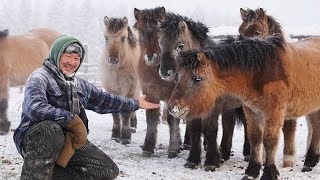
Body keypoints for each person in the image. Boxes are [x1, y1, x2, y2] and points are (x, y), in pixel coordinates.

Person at [13, 35, 160, 180]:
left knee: (107, 170)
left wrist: (136, 103)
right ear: (56, 55)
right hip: (37, 139)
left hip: (68, 141)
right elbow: (35, 107)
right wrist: (71, 120)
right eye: (68, 56)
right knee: (50, 129)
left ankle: (49, 173)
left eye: (77, 58)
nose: (72, 62)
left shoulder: (78, 84)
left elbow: (104, 100)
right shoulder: (40, 77)